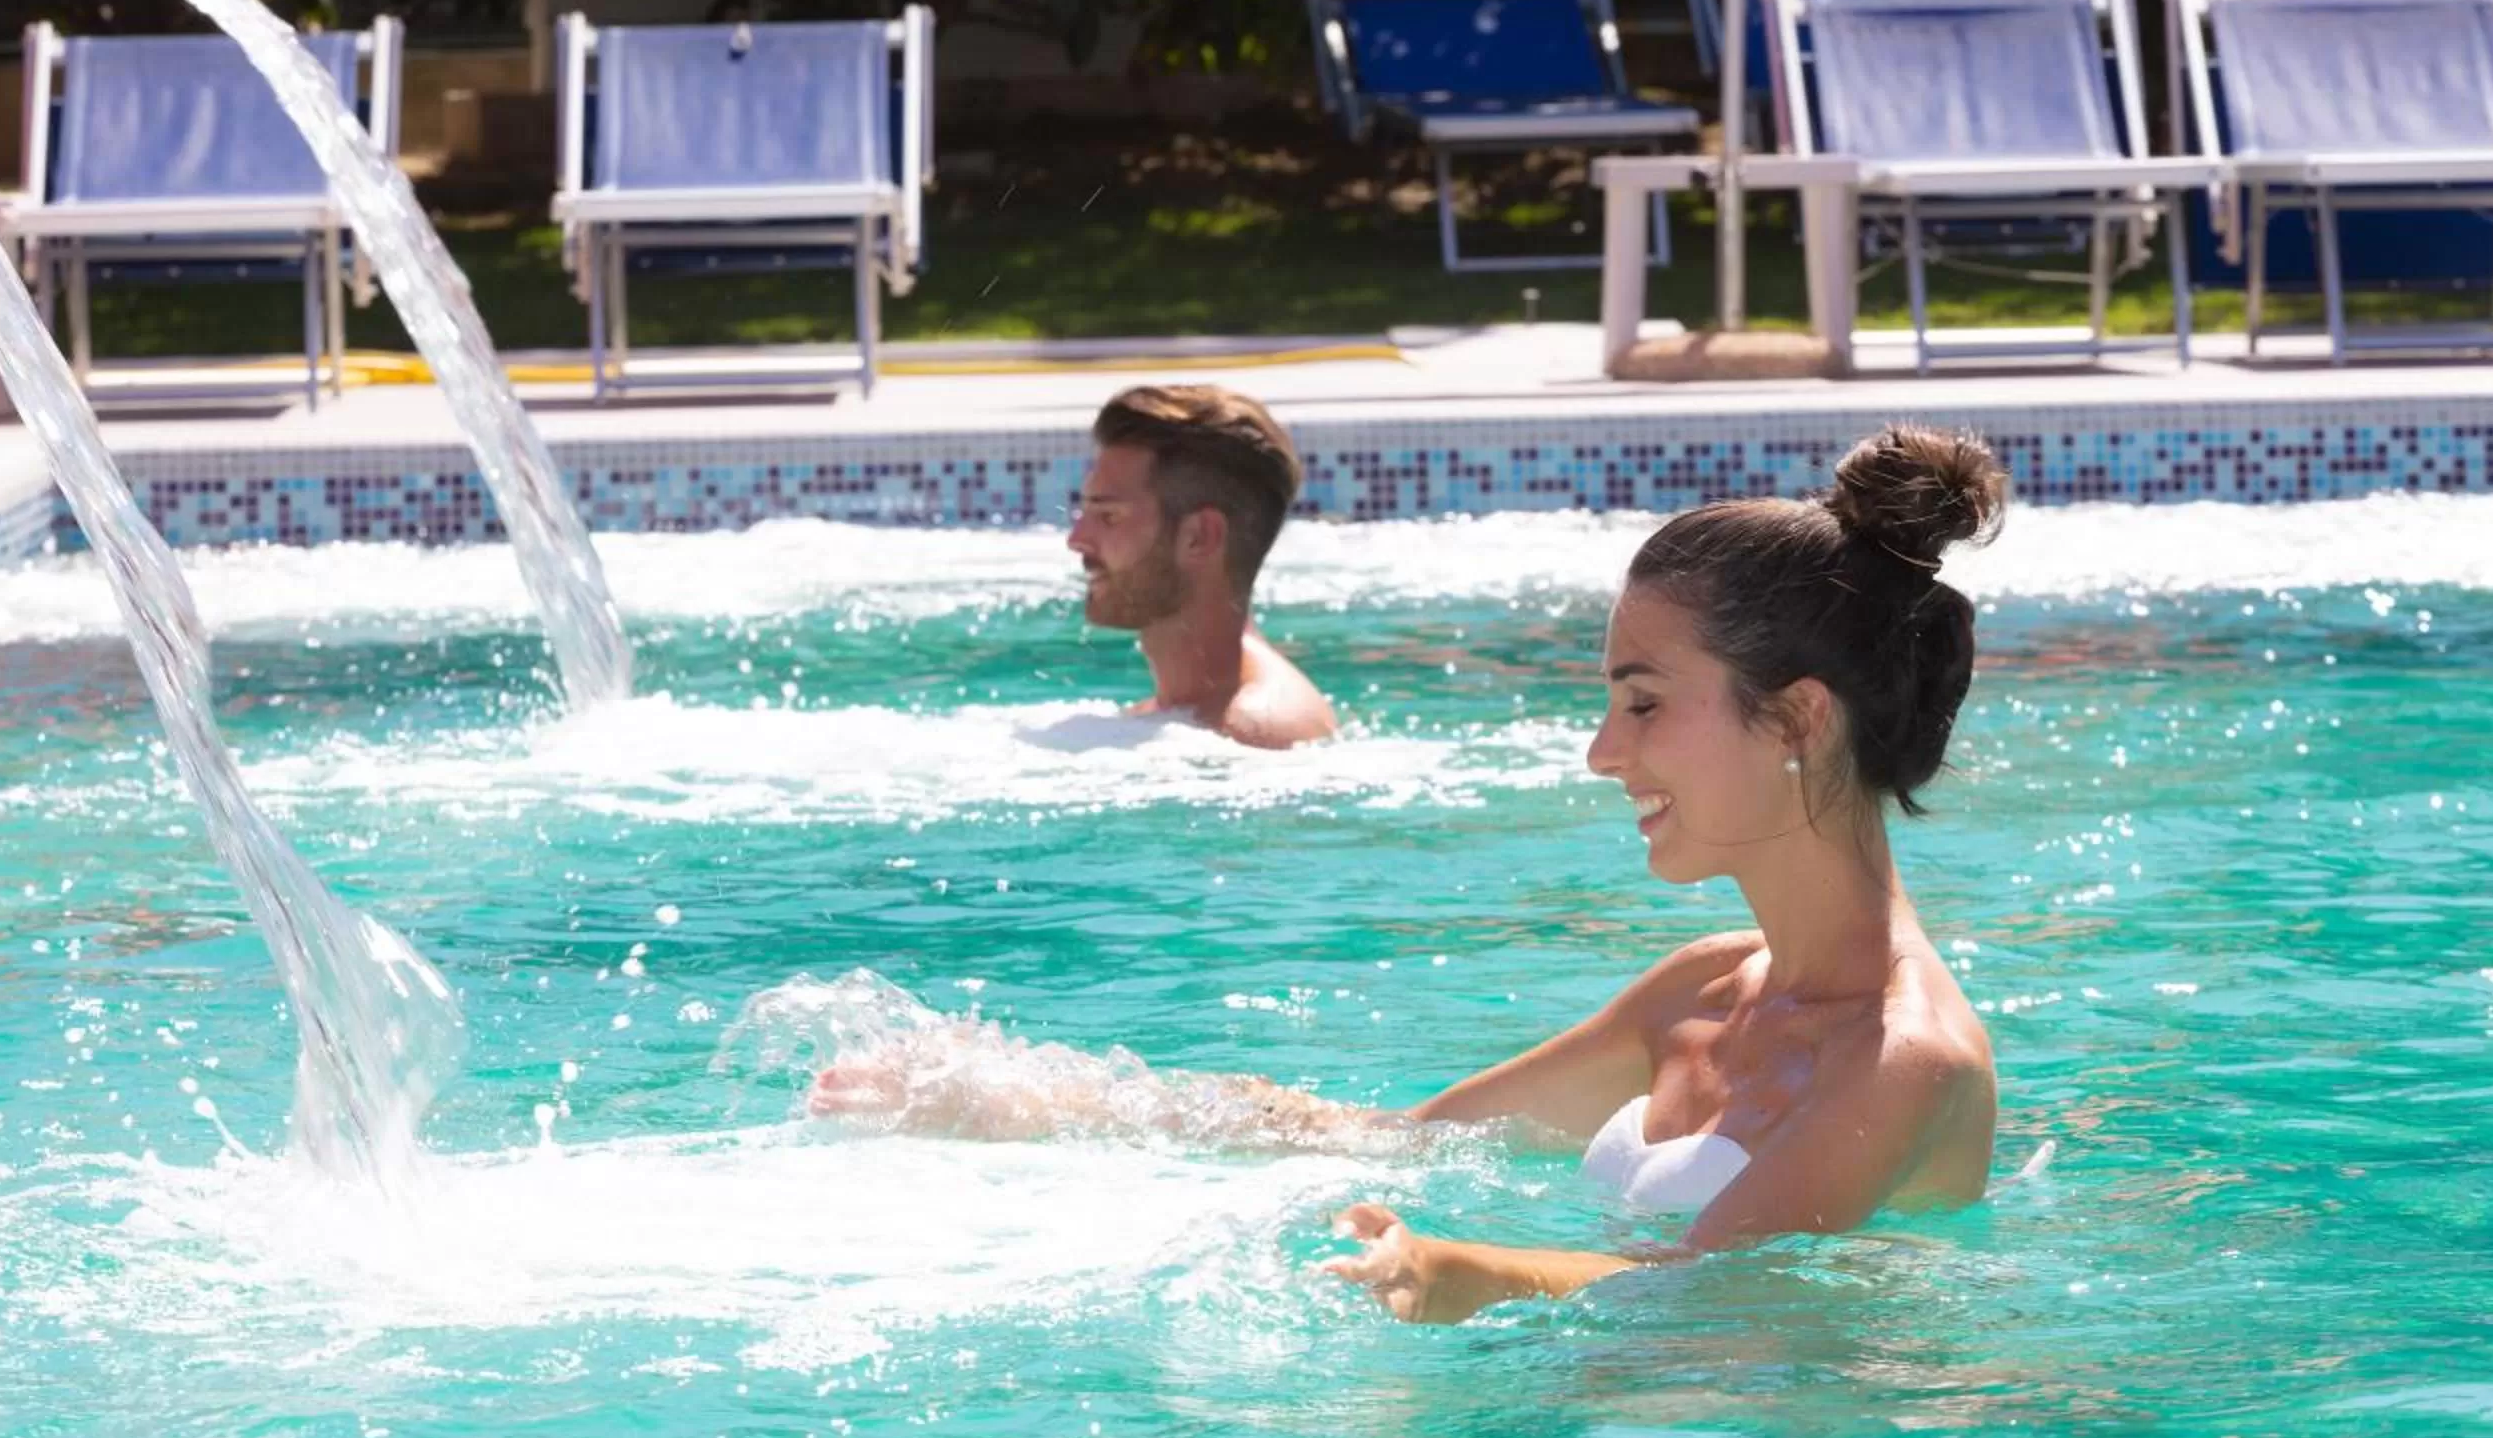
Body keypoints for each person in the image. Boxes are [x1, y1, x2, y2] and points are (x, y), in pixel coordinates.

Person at [814, 424, 2006, 1324]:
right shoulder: (1703, 990)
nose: (1602, 750)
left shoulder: (1906, 1060)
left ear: (1795, 719)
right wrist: (1049, 1101)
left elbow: (1709, 1294)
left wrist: (1469, 1271)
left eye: (1643, 701)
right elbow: (1405, 1137)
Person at [1068, 384, 1336, 750]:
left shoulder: (1255, 736)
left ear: (1199, 537)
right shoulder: (1173, 721)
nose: (1077, 538)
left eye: (1109, 516)